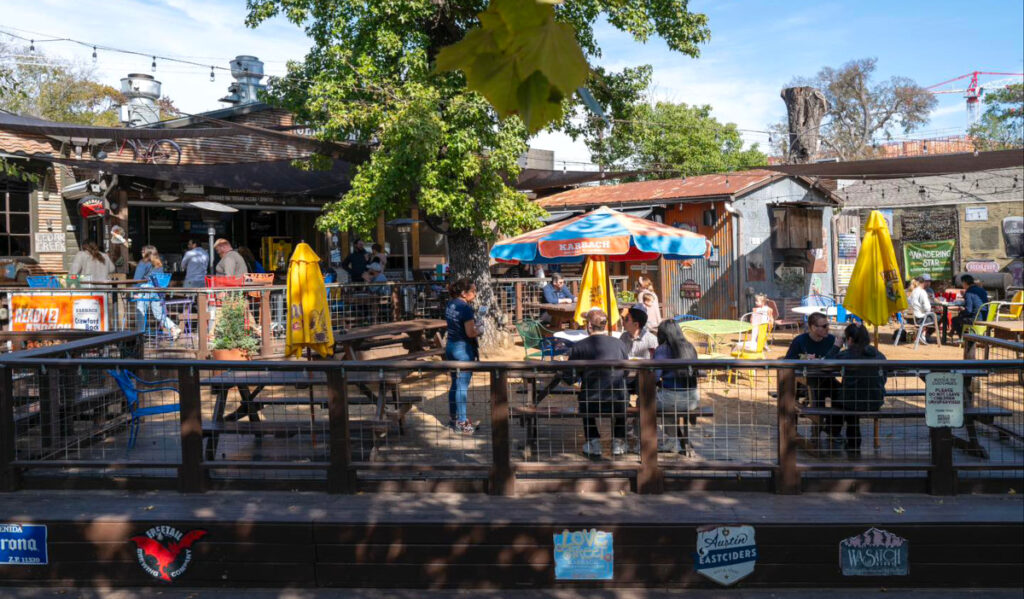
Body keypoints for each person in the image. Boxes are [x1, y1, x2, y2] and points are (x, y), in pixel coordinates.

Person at [567, 309, 630, 458]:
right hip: (618, 400)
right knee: (623, 395)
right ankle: (618, 442)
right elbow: (626, 372)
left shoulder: (579, 346)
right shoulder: (619, 344)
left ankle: (593, 442)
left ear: (589, 325)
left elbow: (570, 378)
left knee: (584, 399)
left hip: (591, 401)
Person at [827, 323, 887, 457]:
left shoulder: (847, 355)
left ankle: (834, 433)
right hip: (876, 400)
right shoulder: (879, 355)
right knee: (849, 398)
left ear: (849, 340)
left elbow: (825, 364)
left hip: (851, 402)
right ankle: (846, 440)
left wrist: (836, 346)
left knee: (844, 400)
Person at [653, 320, 701, 453]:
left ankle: (647, 441)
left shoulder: (662, 350)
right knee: (667, 402)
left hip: (671, 399)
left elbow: (655, 377)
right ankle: (674, 440)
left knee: (643, 403)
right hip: (693, 399)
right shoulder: (689, 347)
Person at [444, 278, 480, 434]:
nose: (475, 294)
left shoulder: (451, 304)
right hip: (463, 349)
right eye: (473, 291)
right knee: (462, 386)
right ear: (464, 293)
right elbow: (470, 333)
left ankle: (454, 418)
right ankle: (462, 422)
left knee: (454, 383)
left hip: (450, 346)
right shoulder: (465, 308)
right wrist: (481, 329)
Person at [133, 245, 181, 340]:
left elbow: (137, 279)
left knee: (141, 312)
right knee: (158, 314)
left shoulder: (143, 263)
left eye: (143, 251)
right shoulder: (159, 264)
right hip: (157, 290)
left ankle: (140, 335)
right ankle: (173, 327)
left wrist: (134, 291)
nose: (141, 252)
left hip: (145, 289)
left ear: (147, 253)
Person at [908, 274, 935, 342]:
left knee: (930, 316)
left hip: (909, 318)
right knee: (937, 318)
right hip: (918, 319)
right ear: (923, 282)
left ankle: (922, 334)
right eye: (927, 281)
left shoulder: (912, 291)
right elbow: (927, 308)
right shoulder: (922, 292)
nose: (928, 283)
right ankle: (923, 335)